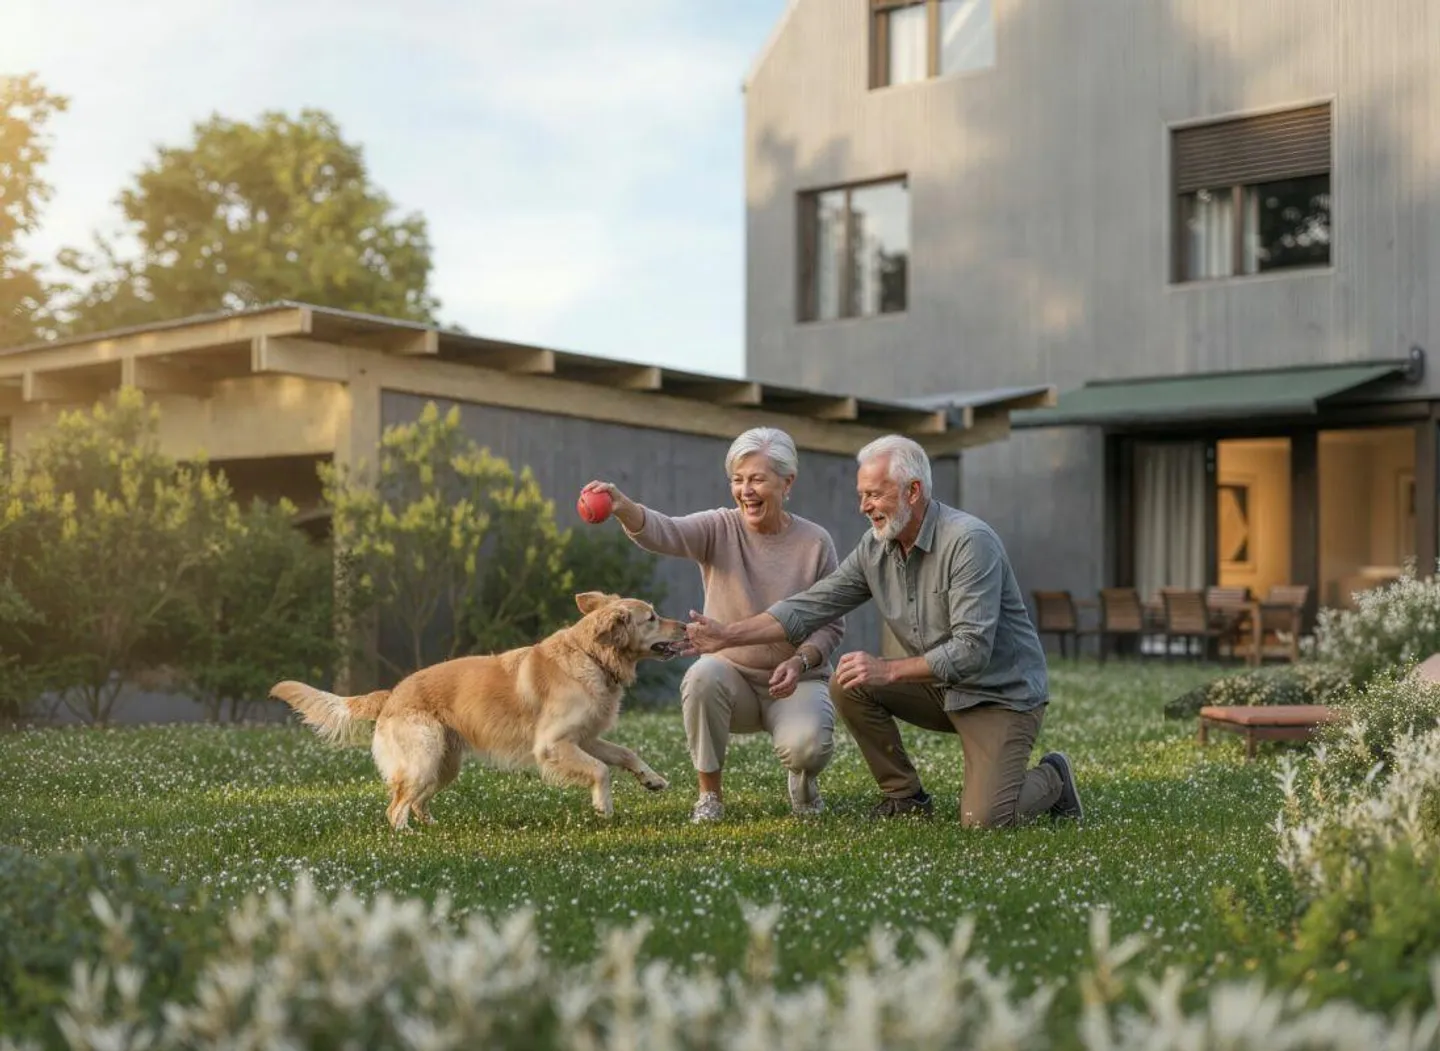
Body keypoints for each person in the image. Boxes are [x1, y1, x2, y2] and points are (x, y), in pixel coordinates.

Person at [685, 434, 1082, 827]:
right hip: (940, 688)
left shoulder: (969, 542)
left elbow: (971, 651)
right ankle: (904, 796)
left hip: (998, 695)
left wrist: (889, 671)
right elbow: (810, 606)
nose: (864, 506)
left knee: (986, 820)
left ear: (912, 491)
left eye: (874, 494)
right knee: (850, 682)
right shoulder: (876, 548)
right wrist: (727, 636)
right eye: (862, 495)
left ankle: (1054, 777)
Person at [581, 426, 845, 824]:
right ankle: (710, 797)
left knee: (808, 748)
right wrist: (621, 505)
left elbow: (831, 624)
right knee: (702, 676)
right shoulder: (719, 527)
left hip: (795, 679)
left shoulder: (815, 543)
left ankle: (803, 782)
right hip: (731, 678)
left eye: (757, 479)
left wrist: (803, 661)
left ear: (787, 481)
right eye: (737, 480)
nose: (745, 490)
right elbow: (663, 531)